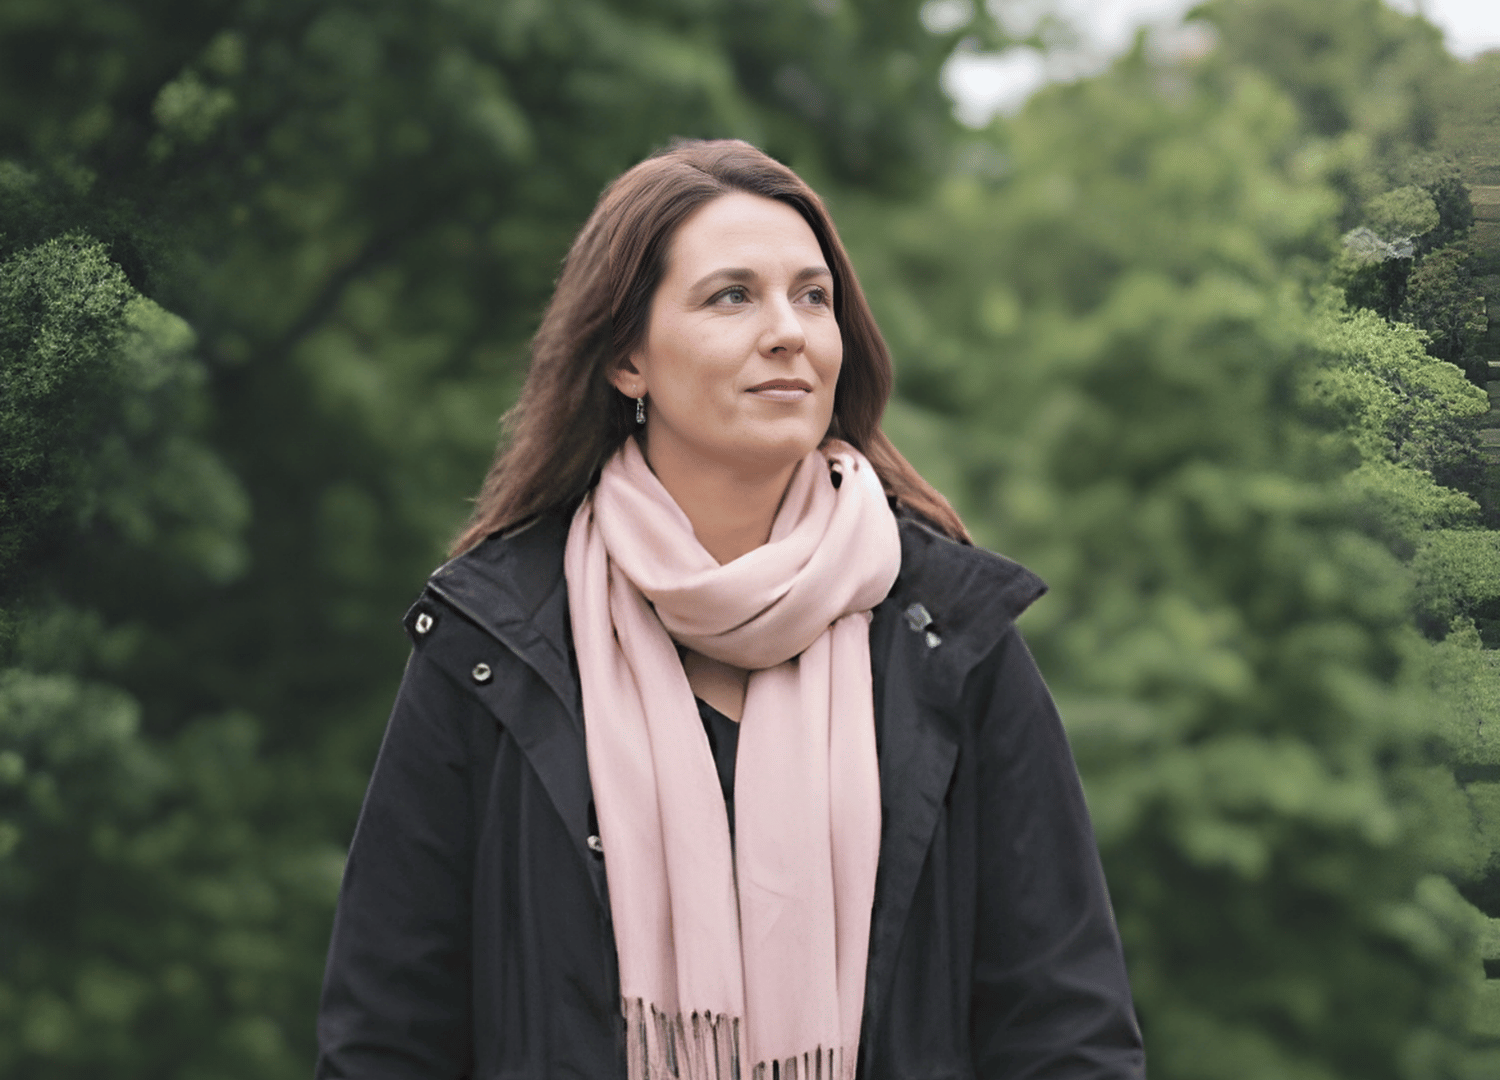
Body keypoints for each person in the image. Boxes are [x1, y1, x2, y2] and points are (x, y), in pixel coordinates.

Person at [315, 139, 1145, 1080]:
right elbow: (387, 1034)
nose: (789, 331)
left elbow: (1066, 1028)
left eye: (813, 296)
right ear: (626, 357)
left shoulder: (949, 634)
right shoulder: (493, 641)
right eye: (732, 296)